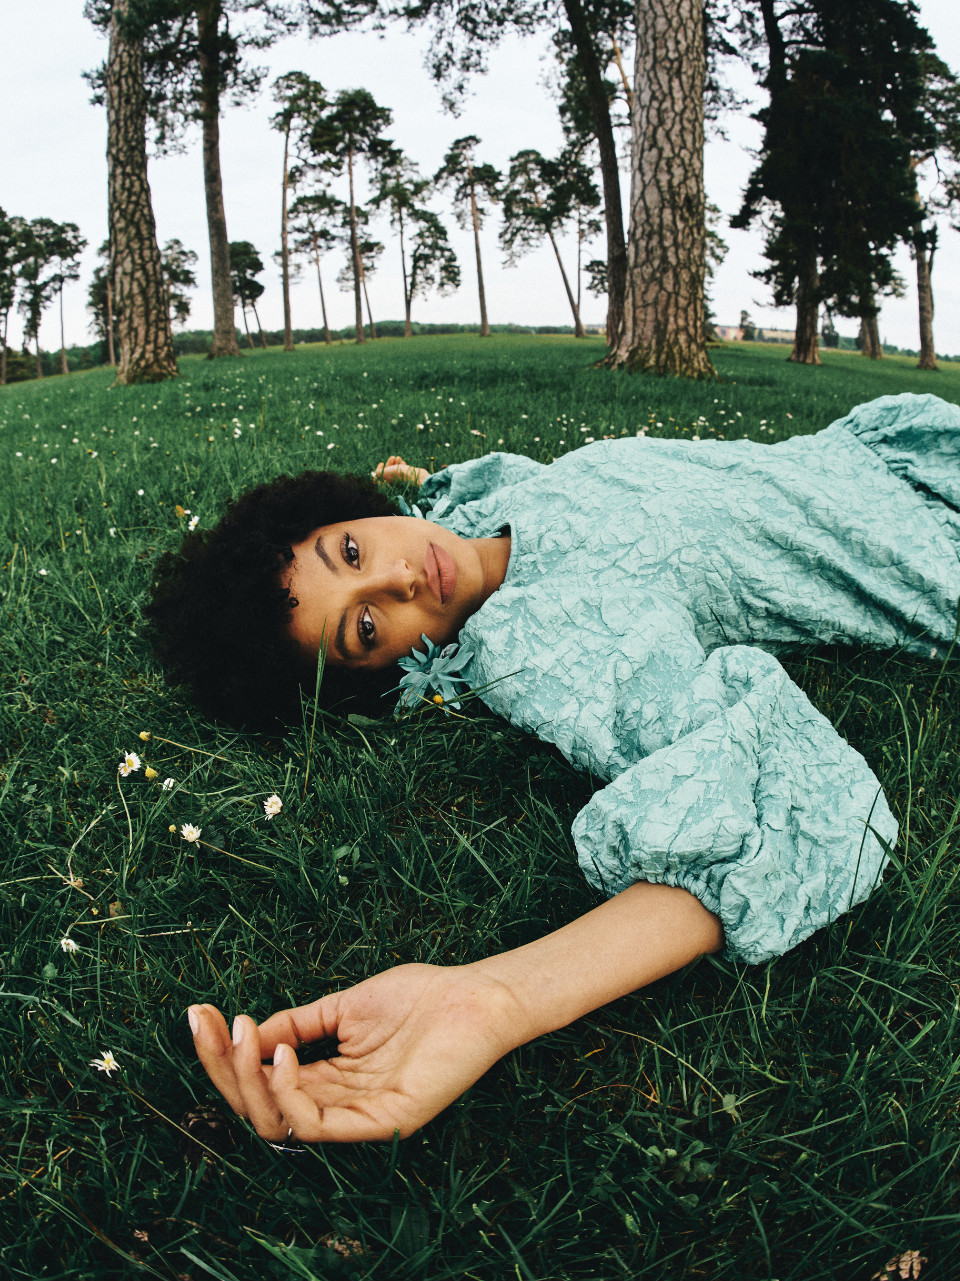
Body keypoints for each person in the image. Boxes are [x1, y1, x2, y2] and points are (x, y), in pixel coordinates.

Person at [148, 391, 960, 1145]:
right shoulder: (547, 641)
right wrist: (500, 999)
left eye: (351, 549)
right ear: (389, 673)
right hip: (926, 543)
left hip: (882, 447)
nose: (401, 576)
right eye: (366, 627)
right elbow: (759, 799)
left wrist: (417, 481)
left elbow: (470, 496)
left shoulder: (473, 513)